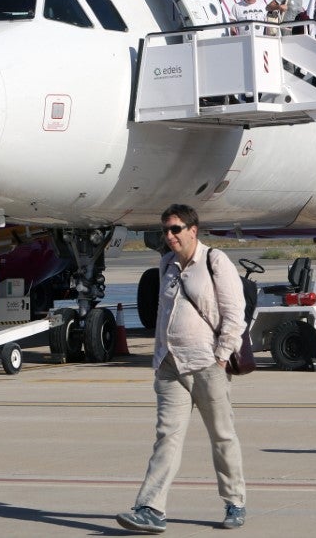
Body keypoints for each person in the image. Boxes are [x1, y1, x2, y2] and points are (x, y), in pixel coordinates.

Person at [117, 204, 247, 533]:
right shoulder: (166, 265)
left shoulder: (215, 261)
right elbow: (163, 315)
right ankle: (150, 508)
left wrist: (220, 357)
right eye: (166, 230)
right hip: (170, 366)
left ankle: (235, 502)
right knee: (166, 439)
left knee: (222, 436)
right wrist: (159, 356)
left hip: (207, 365)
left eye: (175, 229)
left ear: (193, 230)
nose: (170, 235)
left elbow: (235, 315)